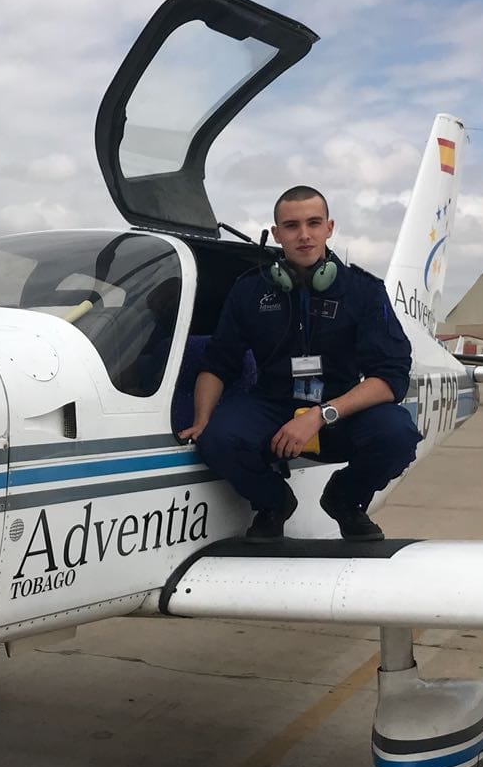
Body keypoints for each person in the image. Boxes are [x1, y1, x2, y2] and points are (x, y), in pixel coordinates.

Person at [178, 185, 420, 542]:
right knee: (218, 438)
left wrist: (319, 415)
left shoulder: (364, 292)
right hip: (273, 402)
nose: (304, 235)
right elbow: (218, 362)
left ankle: (345, 501)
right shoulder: (249, 291)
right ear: (277, 234)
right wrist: (201, 419)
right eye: (291, 226)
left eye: (313, 223)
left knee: (398, 434)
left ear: (329, 228)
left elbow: (390, 377)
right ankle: (274, 503)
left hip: (341, 406)